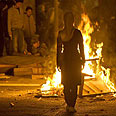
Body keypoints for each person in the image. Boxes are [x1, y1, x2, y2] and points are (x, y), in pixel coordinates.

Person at [57, 12, 85, 113]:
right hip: (75, 59)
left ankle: (68, 104)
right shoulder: (77, 33)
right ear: (73, 20)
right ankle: (72, 105)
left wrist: (58, 62)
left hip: (65, 60)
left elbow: (59, 50)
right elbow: (81, 47)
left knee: (66, 83)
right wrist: (83, 59)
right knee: (73, 83)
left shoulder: (61, 33)